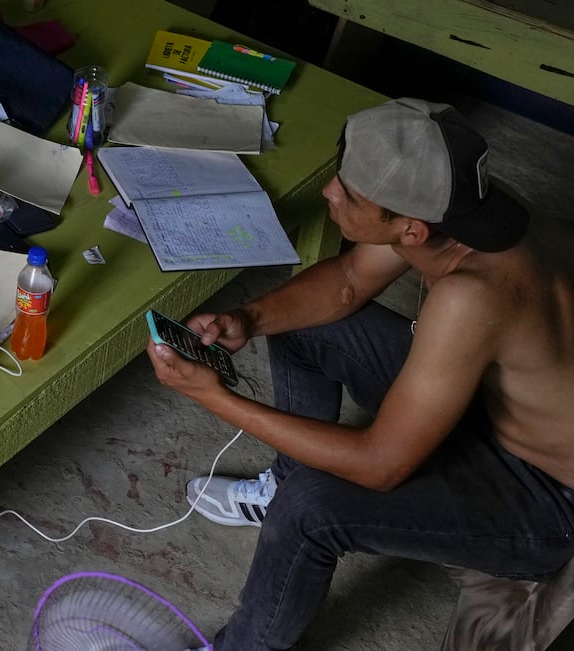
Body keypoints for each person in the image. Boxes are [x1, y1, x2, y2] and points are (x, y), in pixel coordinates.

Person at [149, 98, 574, 649]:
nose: (330, 191)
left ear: (410, 229)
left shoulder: (473, 296)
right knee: (303, 326)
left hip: (550, 501)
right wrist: (248, 319)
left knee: (311, 510)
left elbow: (381, 466)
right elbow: (348, 280)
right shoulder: (468, 215)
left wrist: (214, 397)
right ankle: (280, 485)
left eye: (350, 194)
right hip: (496, 416)